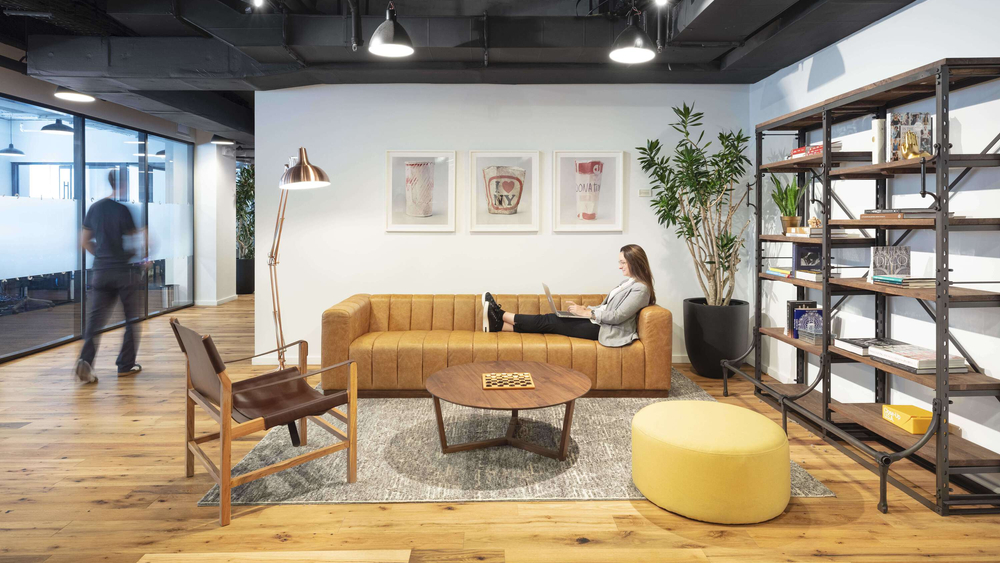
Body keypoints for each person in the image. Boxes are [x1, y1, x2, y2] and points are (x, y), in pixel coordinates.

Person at [482, 244, 655, 348]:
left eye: (623, 262)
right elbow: (607, 308)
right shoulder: (629, 283)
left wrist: (588, 314)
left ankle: (501, 315)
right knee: (551, 319)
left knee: (552, 321)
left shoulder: (641, 289)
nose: (619, 266)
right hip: (598, 322)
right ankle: (499, 325)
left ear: (635, 262)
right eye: (620, 262)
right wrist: (586, 309)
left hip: (605, 329)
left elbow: (617, 316)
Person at [73, 171, 144, 384]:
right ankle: (125, 365)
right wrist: (137, 258)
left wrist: (102, 256)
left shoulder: (95, 208)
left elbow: (84, 241)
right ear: (124, 184)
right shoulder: (124, 211)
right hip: (123, 273)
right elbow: (134, 242)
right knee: (132, 319)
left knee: (95, 322)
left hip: (101, 272)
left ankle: (85, 361)